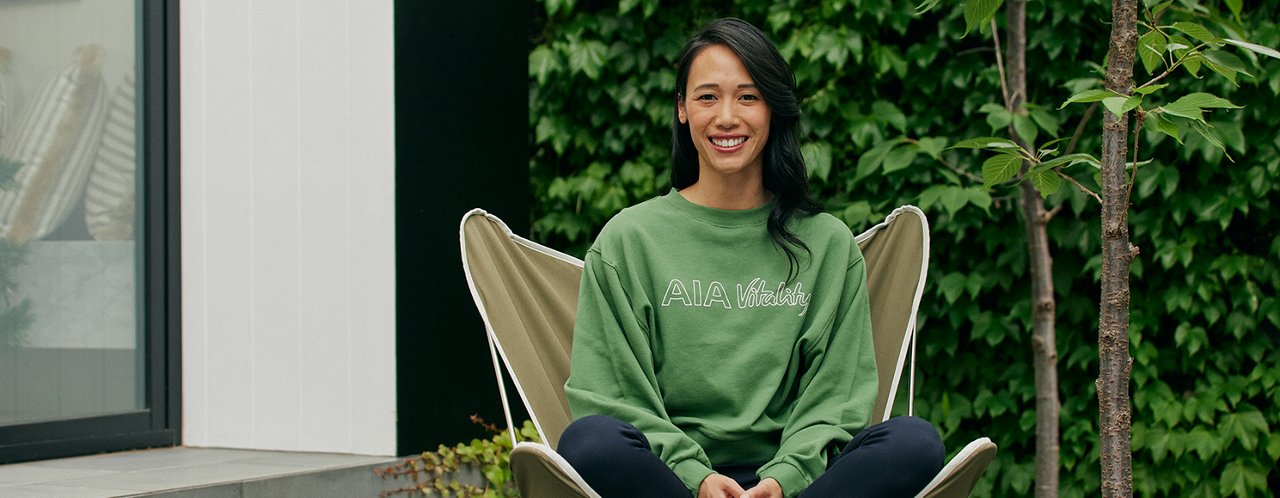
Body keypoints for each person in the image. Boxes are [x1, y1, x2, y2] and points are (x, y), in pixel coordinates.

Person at [558, 18, 944, 498]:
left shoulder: (826, 244)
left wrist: (783, 479)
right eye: (706, 97)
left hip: (798, 483)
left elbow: (836, 396)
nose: (726, 117)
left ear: (772, 110)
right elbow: (611, 395)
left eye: (748, 96)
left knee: (915, 442)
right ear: (682, 109)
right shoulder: (629, 241)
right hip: (670, 482)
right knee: (589, 442)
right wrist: (695, 477)